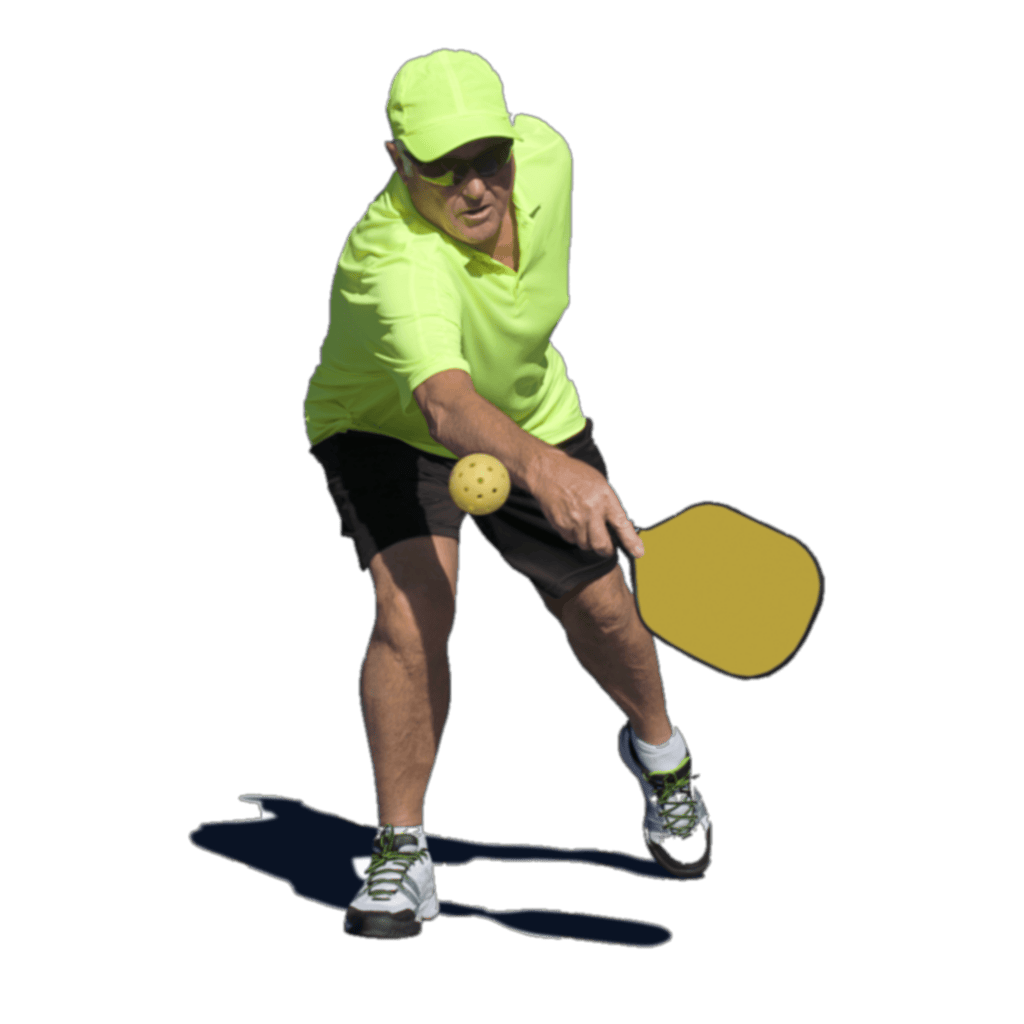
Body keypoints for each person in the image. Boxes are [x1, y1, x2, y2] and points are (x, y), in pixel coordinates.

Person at [303, 48, 708, 942]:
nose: (473, 184)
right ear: (397, 160)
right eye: (442, 166)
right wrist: (552, 472)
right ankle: (402, 856)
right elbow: (444, 404)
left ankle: (661, 757)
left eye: (488, 156)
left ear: (514, 142)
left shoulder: (550, 158)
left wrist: (550, 455)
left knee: (602, 608)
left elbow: (495, 380)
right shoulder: (390, 261)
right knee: (415, 609)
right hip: (386, 425)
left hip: (529, 407)